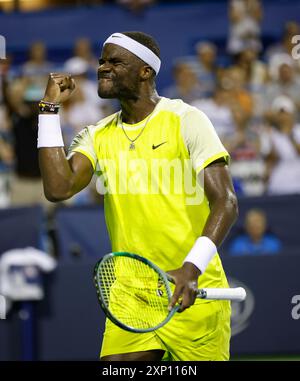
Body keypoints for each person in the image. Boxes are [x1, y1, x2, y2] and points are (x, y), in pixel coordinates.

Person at [37, 31, 238, 361]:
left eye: (115, 62)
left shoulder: (186, 119)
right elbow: (59, 188)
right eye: (102, 61)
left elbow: (226, 202)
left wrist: (192, 267)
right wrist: (47, 110)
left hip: (190, 288)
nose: (103, 68)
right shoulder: (96, 135)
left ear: (145, 71)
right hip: (131, 294)